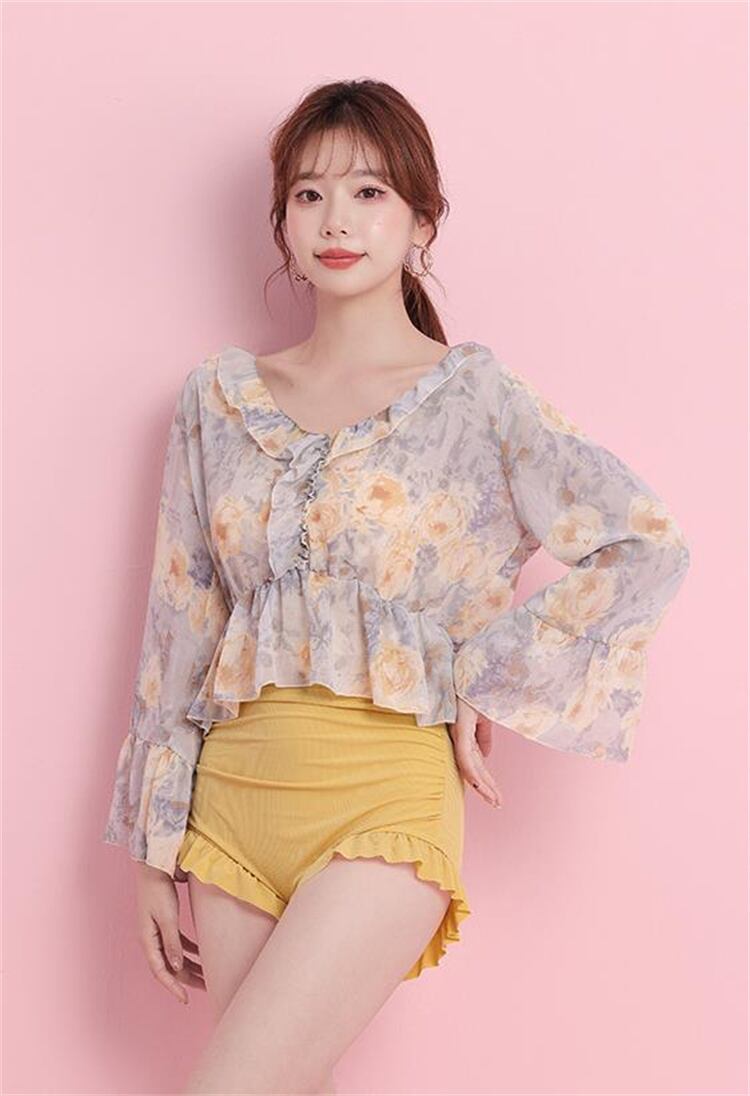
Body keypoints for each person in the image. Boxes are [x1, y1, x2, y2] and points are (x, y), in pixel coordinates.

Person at [102, 79, 690, 1095]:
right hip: (229, 803)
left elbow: (644, 541)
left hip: (385, 794)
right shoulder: (217, 401)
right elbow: (181, 624)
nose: (337, 220)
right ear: (283, 222)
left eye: (369, 192)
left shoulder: (474, 401)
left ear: (422, 220)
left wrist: (485, 676)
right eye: (310, 194)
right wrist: (152, 849)